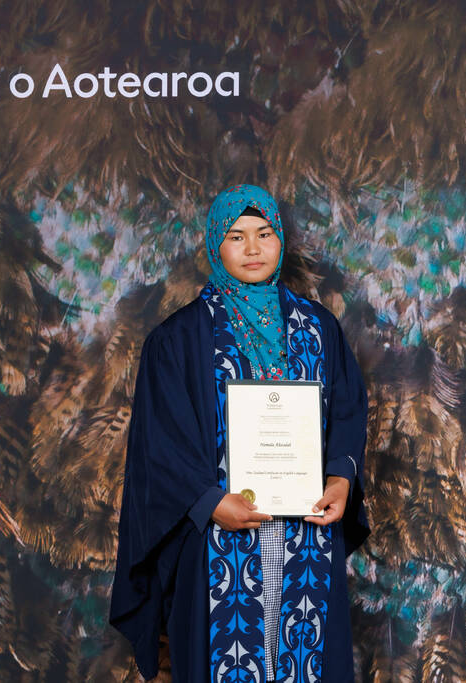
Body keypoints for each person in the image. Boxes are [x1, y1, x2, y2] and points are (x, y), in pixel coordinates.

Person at [109, 185, 369, 682]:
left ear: (280, 241)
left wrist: (339, 479)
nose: (253, 249)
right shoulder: (179, 339)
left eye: (264, 234)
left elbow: (348, 411)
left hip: (305, 531)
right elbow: (160, 441)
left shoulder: (319, 329)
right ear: (214, 245)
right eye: (236, 236)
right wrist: (209, 502)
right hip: (218, 539)